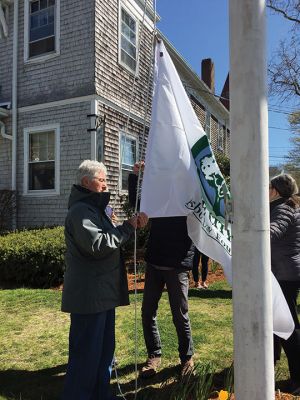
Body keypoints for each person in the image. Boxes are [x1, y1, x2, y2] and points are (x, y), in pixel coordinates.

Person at [61, 160, 148, 400]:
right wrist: (127, 228)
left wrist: (125, 227)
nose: (106, 185)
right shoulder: (81, 212)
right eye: (102, 180)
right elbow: (99, 244)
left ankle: (101, 394)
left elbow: (107, 237)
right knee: (86, 355)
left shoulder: (95, 210)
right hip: (89, 297)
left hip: (102, 295)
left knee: (103, 353)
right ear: (87, 182)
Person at [128, 162, 195, 378]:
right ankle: (154, 355)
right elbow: (137, 203)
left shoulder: (188, 197)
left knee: (180, 315)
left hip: (177, 264)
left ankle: (187, 358)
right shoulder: (157, 196)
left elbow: (198, 226)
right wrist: (135, 177)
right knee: (147, 312)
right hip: (155, 262)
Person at [269, 173, 300, 395]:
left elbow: (274, 231)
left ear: (276, 190)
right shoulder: (292, 205)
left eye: (269, 187)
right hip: (288, 270)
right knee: (275, 318)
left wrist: (251, 231)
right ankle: (270, 359)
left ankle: (298, 379)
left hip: (284, 274)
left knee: (288, 326)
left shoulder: (283, 208)